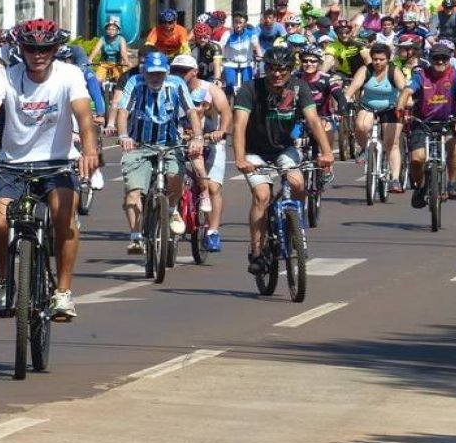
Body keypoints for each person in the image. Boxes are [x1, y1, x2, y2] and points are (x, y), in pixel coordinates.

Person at [0, 19, 100, 321]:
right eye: (31, 48)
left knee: (64, 215)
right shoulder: (5, 77)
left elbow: (84, 117)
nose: (38, 54)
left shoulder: (69, 74)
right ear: (21, 49)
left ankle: (62, 292)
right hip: (11, 164)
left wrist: (89, 150)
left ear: (56, 49)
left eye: (45, 48)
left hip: (57, 163)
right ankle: (5, 281)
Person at [233, 46, 334, 275]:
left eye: (283, 70)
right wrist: (240, 158)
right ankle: (257, 251)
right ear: (265, 68)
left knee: (298, 183)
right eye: (271, 69)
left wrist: (327, 153)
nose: (277, 74)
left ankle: (294, 228)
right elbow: (238, 126)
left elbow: (313, 121)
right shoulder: (250, 89)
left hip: (283, 148)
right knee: (262, 195)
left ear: (291, 70)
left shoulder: (300, 88)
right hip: (254, 151)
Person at [113, 52, 203, 254]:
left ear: (167, 72)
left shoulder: (176, 84)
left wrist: (198, 137)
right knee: (133, 193)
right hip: (139, 144)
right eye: (151, 73)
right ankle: (136, 237)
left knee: (175, 176)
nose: (155, 78)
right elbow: (123, 111)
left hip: (169, 142)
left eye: (160, 74)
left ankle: (171, 209)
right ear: (144, 72)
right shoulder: (134, 83)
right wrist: (124, 135)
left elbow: (191, 111)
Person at [396, 43, 456, 205]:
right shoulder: (421, 75)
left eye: (443, 59)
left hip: (449, 121)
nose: (439, 62)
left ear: (449, 60)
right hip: (422, 122)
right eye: (436, 59)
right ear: (430, 59)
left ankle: (452, 184)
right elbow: (407, 92)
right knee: (417, 159)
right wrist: (400, 109)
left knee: (453, 146)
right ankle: (421, 187)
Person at [169, 54, 231, 251]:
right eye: (176, 70)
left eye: (184, 71)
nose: (179, 74)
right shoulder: (168, 87)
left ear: (194, 72)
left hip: (209, 141)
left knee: (212, 187)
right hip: (179, 140)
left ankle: (212, 231)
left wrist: (221, 131)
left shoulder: (209, 89)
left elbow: (226, 113)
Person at [344, 43, 407, 193]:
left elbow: (404, 89)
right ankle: (365, 149)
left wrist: (406, 102)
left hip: (390, 108)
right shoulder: (366, 70)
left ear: (388, 59)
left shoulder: (394, 71)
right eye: (375, 59)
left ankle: (395, 179)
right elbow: (354, 86)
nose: (377, 62)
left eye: (381, 59)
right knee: (360, 126)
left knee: (392, 144)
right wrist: (346, 98)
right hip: (368, 106)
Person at [220, 12, 262, 97]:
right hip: (230, 63)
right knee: (230, 86)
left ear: (245, 23)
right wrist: (221, 58)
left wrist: (260, 56)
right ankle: (229, 104)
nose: (238, 25)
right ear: (233, 23)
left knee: (247, 85)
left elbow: (256, 46)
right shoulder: (228, 34)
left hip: (246, 63)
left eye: (240, 23)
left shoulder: (251, 34)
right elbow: (221, 46)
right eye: (236, 22)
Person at [88, 17, 130, 84]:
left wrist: (126, 61)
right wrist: (90, 59)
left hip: (117, 64)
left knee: (120, 80)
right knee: (97, 80)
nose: (111, 31)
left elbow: (123, 53)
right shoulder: (103, 39)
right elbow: (96, 50)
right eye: (109, 29)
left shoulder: (121, 39)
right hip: (104, 64)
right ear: (106, 30)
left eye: (113, 29)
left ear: (118, 31)